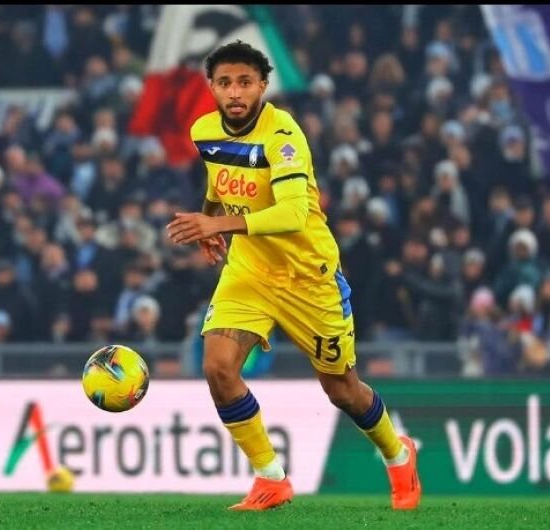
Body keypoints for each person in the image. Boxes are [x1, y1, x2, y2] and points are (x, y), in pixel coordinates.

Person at [166, 41, 420, 512]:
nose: (235, 92)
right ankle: (270, 478)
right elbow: (220, 180)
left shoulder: (283, 135)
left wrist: (218, 225)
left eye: (245, 82)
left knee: (342, 389)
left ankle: (397, 454)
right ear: (212, 88)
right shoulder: (203, 130)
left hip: (308, 276)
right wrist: (209, 218)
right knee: (218, 367)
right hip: (250, 270)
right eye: (225, 83)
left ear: (263, 85)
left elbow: (292, 214)